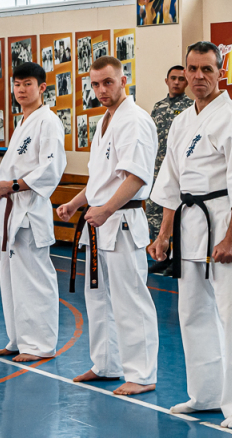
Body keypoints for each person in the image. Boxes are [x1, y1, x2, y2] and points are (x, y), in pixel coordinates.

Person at [148, 42, 232, 429]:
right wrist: (164, 235)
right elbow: (171, 183)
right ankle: (206, 393)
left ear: (220, 72)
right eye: (192, 69)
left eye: (207, 69)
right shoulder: (183, 121)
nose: (198, 76)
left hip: (224, 220)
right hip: (190, 225)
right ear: (184, 72)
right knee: (193, 312)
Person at [56, 56, 159, 396]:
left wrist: (106, 209)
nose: (101, 90)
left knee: (130, 298)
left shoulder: (135, 120)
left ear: (123, 80)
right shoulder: (105, 121)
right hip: (100, 220)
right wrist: (76, 203)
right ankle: (106, 364)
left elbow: (137, 176)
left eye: (108, 82)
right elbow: (100, 180)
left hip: (122, 219)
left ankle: (142, 374)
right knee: (98, 297)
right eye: (96, 84)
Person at [0, 62, 66, 362]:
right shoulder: (23, 122)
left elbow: (51, 169)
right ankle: (19, 339)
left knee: (34, 280)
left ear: (42, 88)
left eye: (28, 84)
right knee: (12, 281)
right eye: (17, 84)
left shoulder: (48, 122)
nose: (21, 90)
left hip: (30, 212)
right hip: (11, 211)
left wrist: (11, 186)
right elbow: (13, 173)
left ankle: (40, 345)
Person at [146, 65, 193, 275]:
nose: (176, 82)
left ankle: (177, 257)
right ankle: (161, 254)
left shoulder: (191, 108)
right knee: (154, 213)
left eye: (181, 79)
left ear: (187, 82)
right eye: (173, 78)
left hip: (178, 170)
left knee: (177, 214)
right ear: (166, 81)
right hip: (156, 170)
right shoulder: (158, 107)